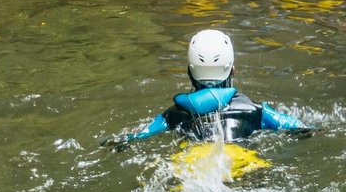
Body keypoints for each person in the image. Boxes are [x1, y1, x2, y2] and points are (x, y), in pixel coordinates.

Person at [107, 30, 311, 144]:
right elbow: (298, 127)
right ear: (232, 70)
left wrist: (118, 142)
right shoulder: (254, 110)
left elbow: (140, 135)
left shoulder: (174, 115)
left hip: (194, 165)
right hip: (240, 161)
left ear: (189, 71)